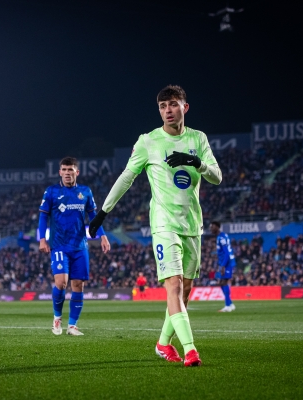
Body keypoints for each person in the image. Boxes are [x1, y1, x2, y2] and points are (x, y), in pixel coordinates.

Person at [89, 85, 222, 367]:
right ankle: (190, 350)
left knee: (185, 290)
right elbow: (127, 177)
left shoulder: (198, 139)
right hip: (163, 224)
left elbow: (217, 177)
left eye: (173, 104)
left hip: (192, 225)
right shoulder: (148, 141)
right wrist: (103, 212)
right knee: (173, 286)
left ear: (185, 107)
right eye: (162, 106)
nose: (167, 111)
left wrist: (196, 163)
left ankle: (163, 343)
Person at [39, 156, 111, 336]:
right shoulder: (51, 192)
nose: (67, 173)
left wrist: (102, 236)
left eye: (70, 170)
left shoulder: (85, 192)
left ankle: (72, 325)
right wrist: (42, 239)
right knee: (61, 283)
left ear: (76, 172)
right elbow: (43, 217)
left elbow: (94, 217)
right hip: (59, 245)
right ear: (59, 172)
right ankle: (57, 318)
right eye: (64, 169)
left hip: (80, 246)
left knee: (78, 285)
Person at [209, 221, 236, 312]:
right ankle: (230, 304)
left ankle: (227, 306)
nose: (211, 229)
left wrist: (223, 266)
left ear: (217, 227)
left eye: (212, 227)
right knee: (221, 282)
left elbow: (227, 253)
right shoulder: (221, 236)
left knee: (224, 282)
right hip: (223, 263)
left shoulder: (221, 238)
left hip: (227, 263)